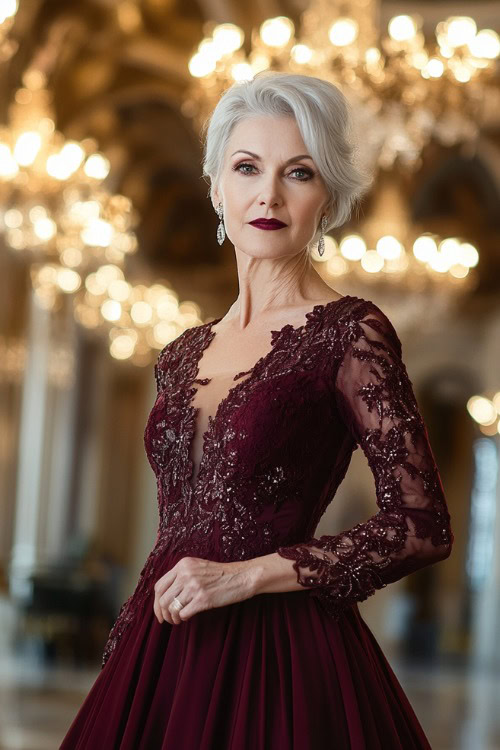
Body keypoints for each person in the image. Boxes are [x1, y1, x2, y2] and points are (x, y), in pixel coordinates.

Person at [60, 71, 453, 749]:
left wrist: (247, 576)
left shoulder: (351, 333)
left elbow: (421, 526)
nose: (268, 194)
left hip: (282, 655)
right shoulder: (181, 352)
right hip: (163, 644)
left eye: (298, 173)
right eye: (247, 168)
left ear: (326, 198)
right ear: (217, 186)